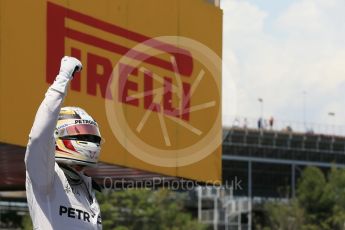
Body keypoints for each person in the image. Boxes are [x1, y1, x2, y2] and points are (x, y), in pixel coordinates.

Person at [25, 56, 103, 229]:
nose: (90, 141)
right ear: (58, 136)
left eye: (92, 137)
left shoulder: (87, 188)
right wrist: (62, 79)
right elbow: (39, 136)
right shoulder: (45, 178)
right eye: (82, 135)